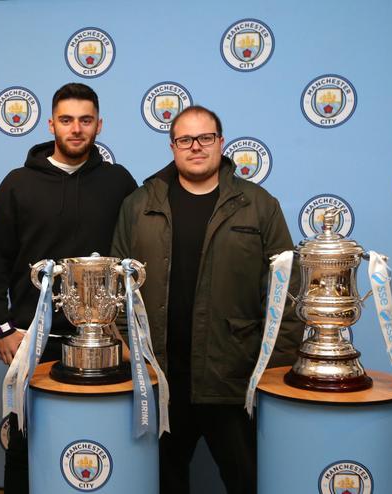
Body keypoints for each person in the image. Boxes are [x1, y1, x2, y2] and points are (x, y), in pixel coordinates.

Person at [110, 105, 303, 494]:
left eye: (205, 138)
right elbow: (116, 284)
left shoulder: (259, 205)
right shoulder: (139, 204)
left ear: (221, 142)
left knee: (247, 479)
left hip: (231, 375)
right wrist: (125, 345)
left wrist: (273, 365)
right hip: (160, 376)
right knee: (162, 481)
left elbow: (289, 292)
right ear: (172, 146)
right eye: (185, 139)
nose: (195, 147)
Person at [0, 82, 137, 493]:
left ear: (99, 125)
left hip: (105, 339)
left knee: (97, 439)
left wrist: (128, 334)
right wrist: (1, 327)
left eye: (86, 120)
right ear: (51, 123)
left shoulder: (120, 183)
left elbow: (136, 258)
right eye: (67, 120)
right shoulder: (17, 184)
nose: (76, 129)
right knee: (25, 440)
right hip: (32, 337)